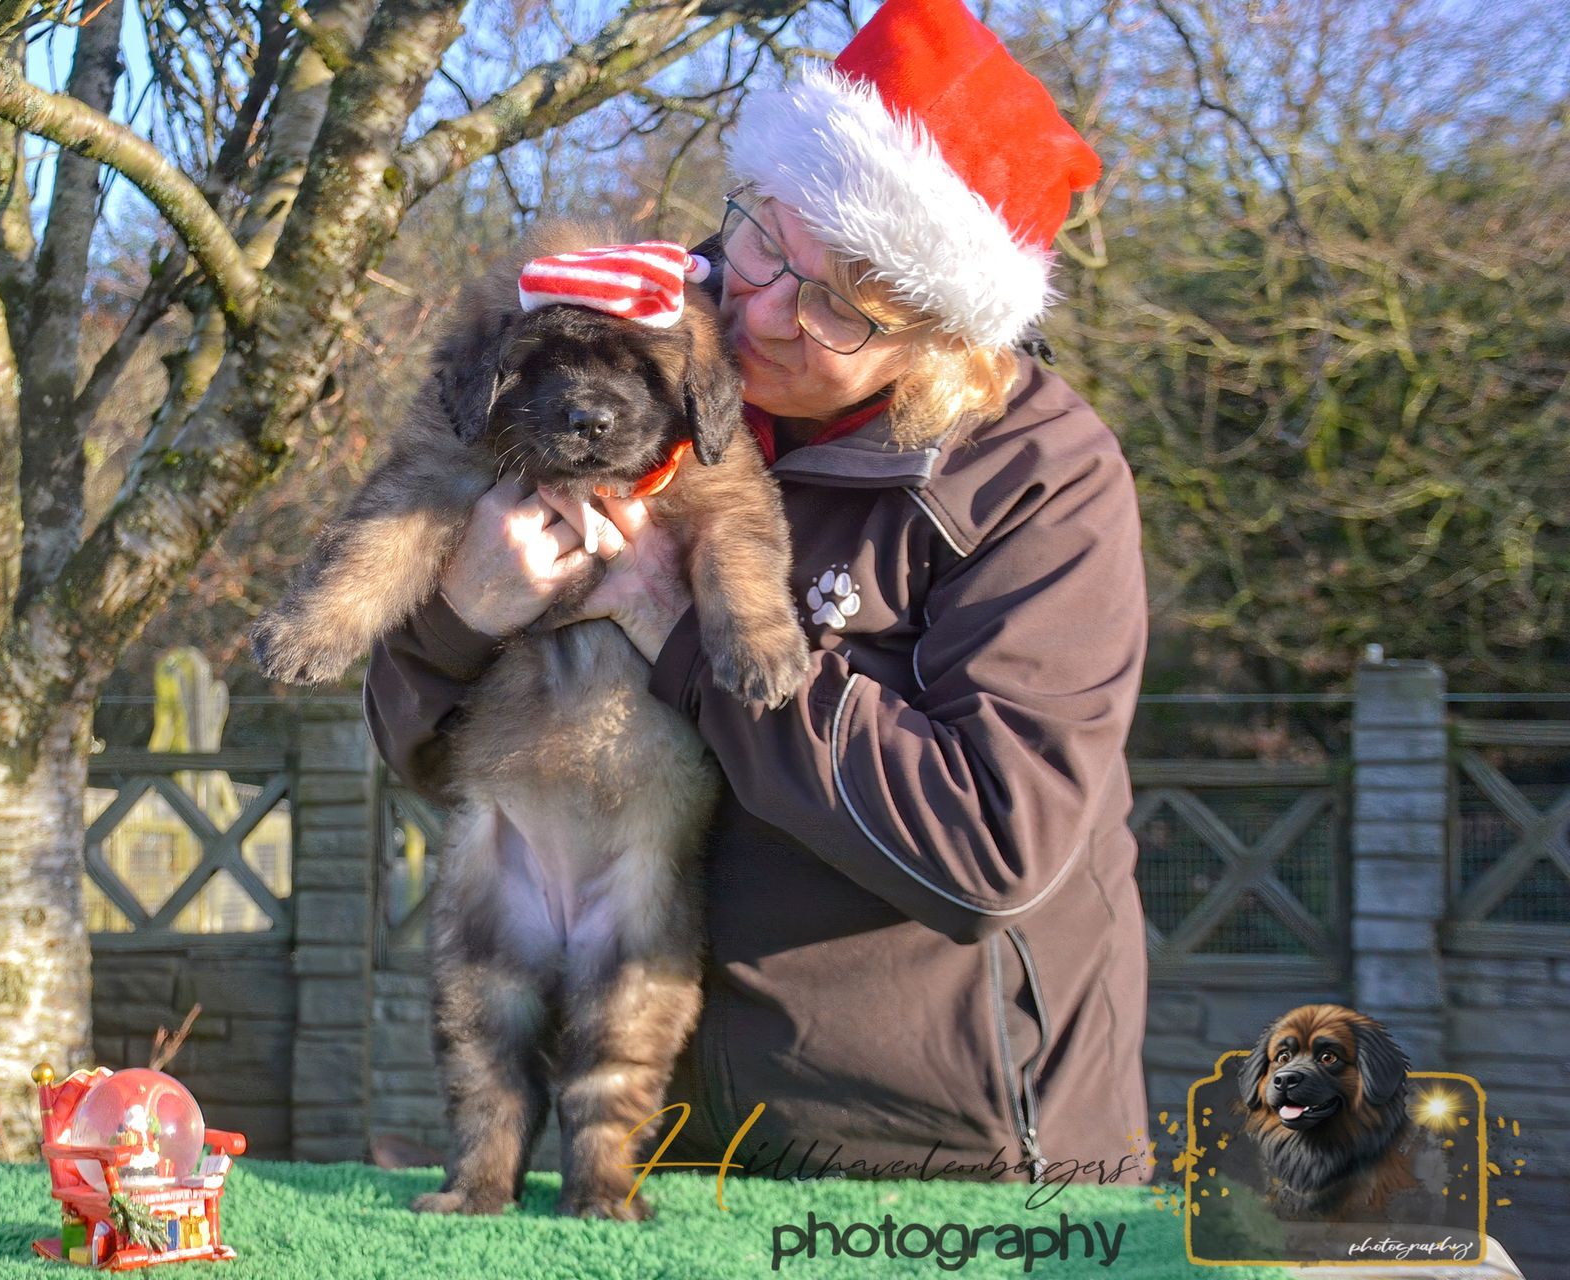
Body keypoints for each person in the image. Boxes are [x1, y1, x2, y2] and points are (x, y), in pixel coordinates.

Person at [363, 0, 1151, 1183]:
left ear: (947, 340)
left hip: (939, 1155)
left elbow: (996, 847)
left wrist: (674, 627)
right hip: (641, 1129)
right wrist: (458, 616)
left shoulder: (1037, 478)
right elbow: (432, 758)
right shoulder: (625, 348)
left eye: (843, 301)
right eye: (767, 241)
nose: (766, 309)